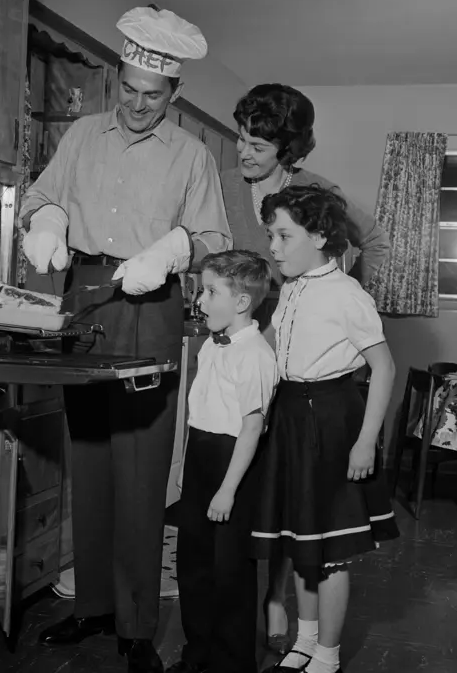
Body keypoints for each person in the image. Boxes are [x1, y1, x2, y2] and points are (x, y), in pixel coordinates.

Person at [18, 6, 232, 673]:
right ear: (117, 77)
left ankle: (137, 623)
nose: (138, 107)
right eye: (129, 91)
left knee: (141, 468)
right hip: (82, 297)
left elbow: (215, 239)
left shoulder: (192, 155)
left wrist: (171, 248)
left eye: (153, 97)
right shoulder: (81, 134)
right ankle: (92, 608)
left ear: (174, 95)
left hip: (150, 302)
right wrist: (48, 221)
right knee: (90, 457)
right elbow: (42, 195)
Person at [220, 83, 392, 650]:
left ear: (288, 150)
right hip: (257, 353)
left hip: (311, 372)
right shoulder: (225, 182)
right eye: (241, 138)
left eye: (259, 144)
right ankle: (276, 605)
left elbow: (373, 240)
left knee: (313, 510)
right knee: (271, 493)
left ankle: (300, 624)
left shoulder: (317, 196)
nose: (244, 153)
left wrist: (336, 289)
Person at [251, 185, 399, 673]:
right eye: (270, 234)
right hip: (292, 418)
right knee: (300, 539)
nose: (273, 246)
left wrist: (365, 443)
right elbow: (273, 347)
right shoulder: (291, 287)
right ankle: (305, 641)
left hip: (333, 421)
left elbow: (384, 368)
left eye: (284, 236)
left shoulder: (346, 293)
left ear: (318, 236)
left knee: (331, 549)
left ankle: (329, 656)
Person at [167, 250, 278, 673]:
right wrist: (187, 471)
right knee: (193, 565)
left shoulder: (256, 355)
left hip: (234, 467)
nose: (201, 300)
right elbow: (200, 412)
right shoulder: (211, 346)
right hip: (201, 458)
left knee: (229, 572)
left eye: (211, 291)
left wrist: (228, 489)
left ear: (242, 302)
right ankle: (198, 655)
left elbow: (252, 429)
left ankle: (232, 664)